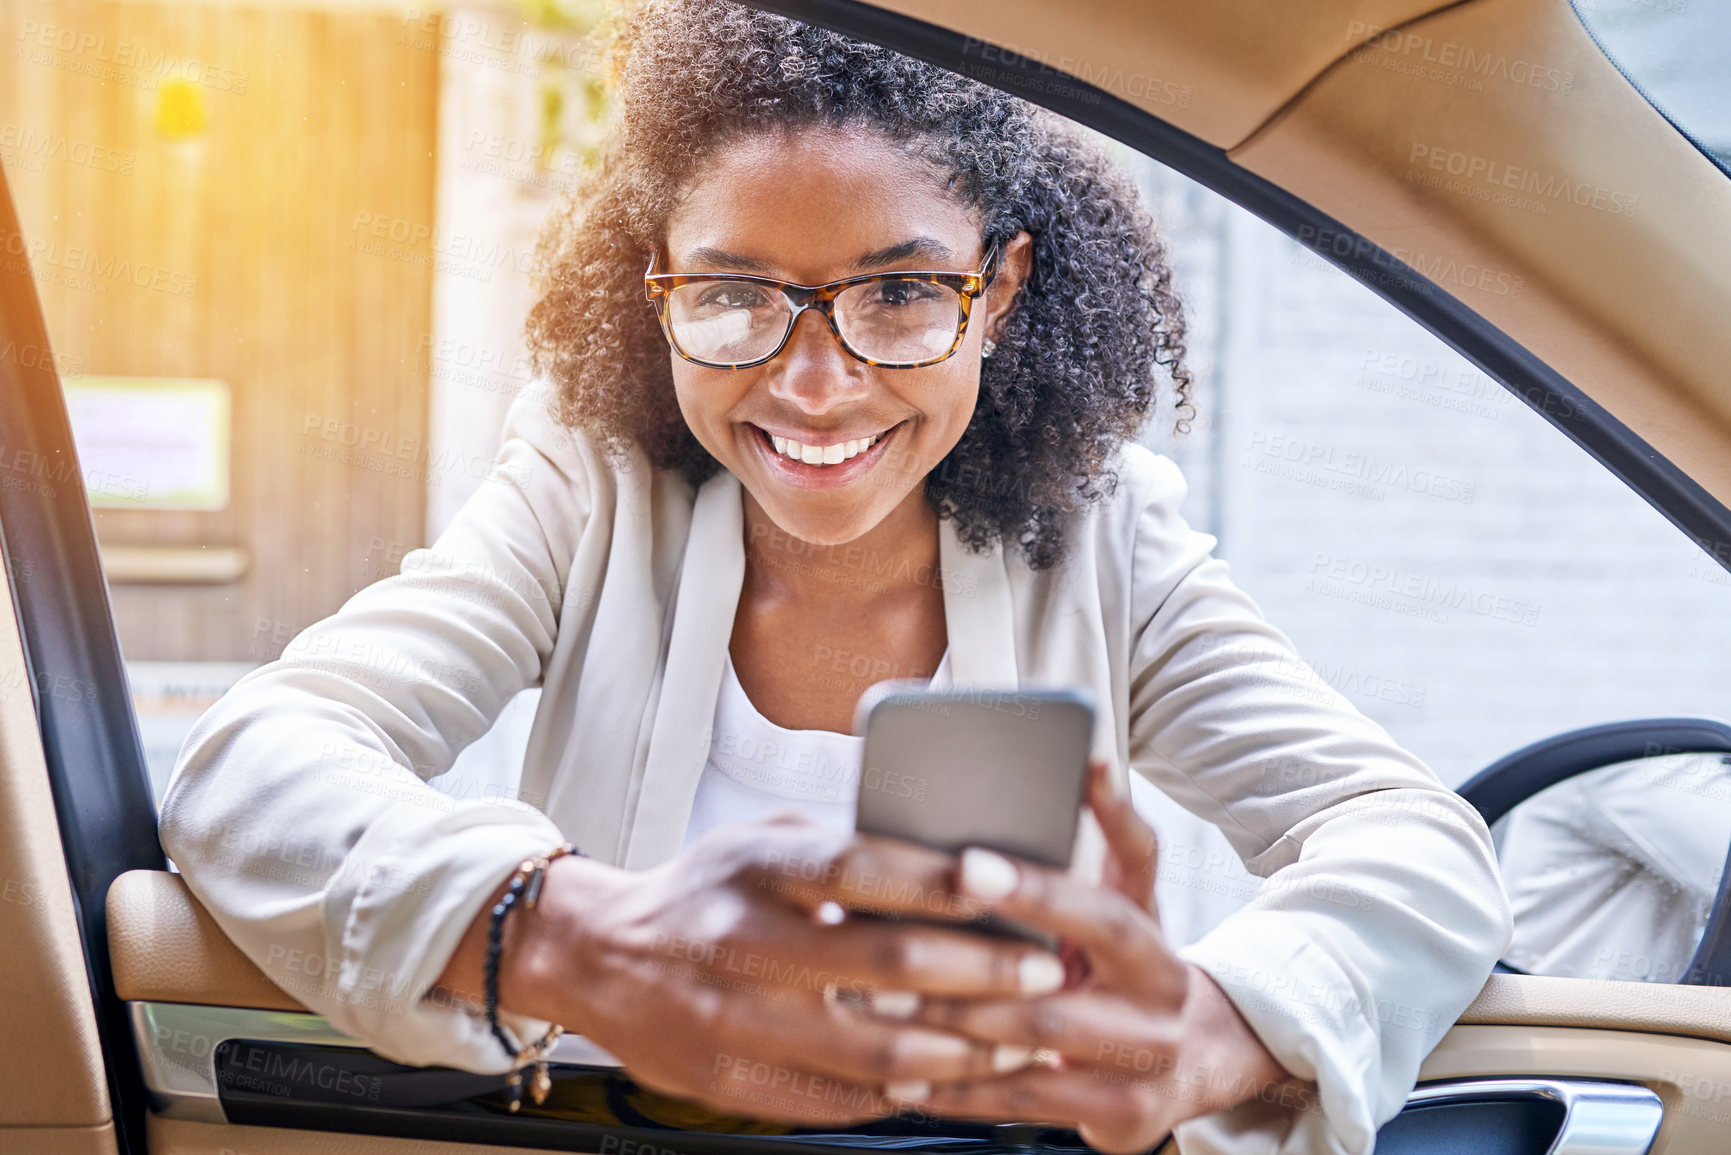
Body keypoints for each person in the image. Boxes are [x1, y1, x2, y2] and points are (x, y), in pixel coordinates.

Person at [158, 3, 1511, 1152]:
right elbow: (255, 767)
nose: (815, 384)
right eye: (736, 292)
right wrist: (571, 935)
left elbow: (1415, 844)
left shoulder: (1111, 543)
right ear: (656, 284)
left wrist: (1215, 1027)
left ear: (1000, 291)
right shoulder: (589, 494)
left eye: (901, 295)